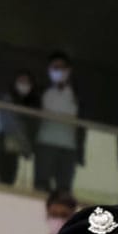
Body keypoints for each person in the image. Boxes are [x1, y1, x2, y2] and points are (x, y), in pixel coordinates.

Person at [35, 51, 84, 193]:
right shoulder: (42, 92)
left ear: (68, 70)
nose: (58, 71)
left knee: (64, 189)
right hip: (45, 143)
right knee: (41, 185)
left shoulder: (76, 95)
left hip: (69, 147)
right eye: (54, 68)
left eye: (61, 68)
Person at [0, 70, 40, 186]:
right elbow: (12, 124)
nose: (24, 84)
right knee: (0, 176)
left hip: (15, 146)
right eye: (21, 81)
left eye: (26, 82)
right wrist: (26, 146)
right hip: (4, 140)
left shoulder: (31, 105)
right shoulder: (7, 98)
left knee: (9, 178)